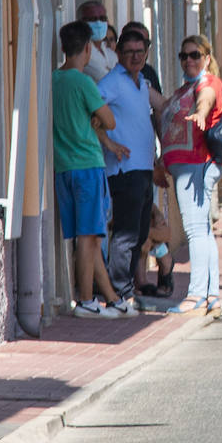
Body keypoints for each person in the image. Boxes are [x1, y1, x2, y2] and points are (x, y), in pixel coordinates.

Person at [52, 21, 124, 319]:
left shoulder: (54, 79)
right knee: (89, 235)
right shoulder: (83, 83)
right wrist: (95, 119)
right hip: (87, 165)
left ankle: (110, 298)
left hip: (63, 167)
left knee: (89, 236)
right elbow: (109, 120)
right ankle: (85, 299)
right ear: (86, 49)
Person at [96, 28, 167, 312]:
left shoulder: (141, 83)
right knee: (125, 234)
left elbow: (163, 106)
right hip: (123, 170)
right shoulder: (113, 81)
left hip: (143, 167)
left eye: (140, 52)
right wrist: (109, 143)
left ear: (147, 52)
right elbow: (90, 111)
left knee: (139, 233)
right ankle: (120, 293)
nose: (135, 57)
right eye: (129, 52)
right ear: (118, 54)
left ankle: (127, 291)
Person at [159, 34, 222, 316]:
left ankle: (197, 293)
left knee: (196, 230)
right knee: (204, 231)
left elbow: (206, 99)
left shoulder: (207, 83)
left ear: (207, 58)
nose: (189, 60)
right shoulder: (183, 89)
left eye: (195, 55)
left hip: (197, 166)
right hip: (186, 168)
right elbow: (162, 108)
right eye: (184, 56)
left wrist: (201, 112)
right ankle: (211, 295)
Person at [77, 0, 119, 82]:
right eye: (93, 19)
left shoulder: (108, 51)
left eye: (102, 18)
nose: (98, 23)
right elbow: (107, 79)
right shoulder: (82, 51)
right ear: (81, 22)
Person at [121, 20, 163, 93]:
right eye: (131, 50)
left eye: (145, 43)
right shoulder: (112, 79)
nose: (136, 56)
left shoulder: (149, 72)